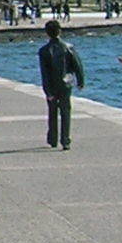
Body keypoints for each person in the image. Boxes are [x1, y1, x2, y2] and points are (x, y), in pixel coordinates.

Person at [38, 19, 85, 150]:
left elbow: (44, 73)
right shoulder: (68, 47)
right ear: (60, 31)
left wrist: (47, 91)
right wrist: (80, 81)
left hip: (52, 85)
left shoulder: (44, 51)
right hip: (66, 84)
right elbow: (77, 66)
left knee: (52, 111)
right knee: (65, 112)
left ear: (47, 33)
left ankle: (52, 139)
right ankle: (65, 140)